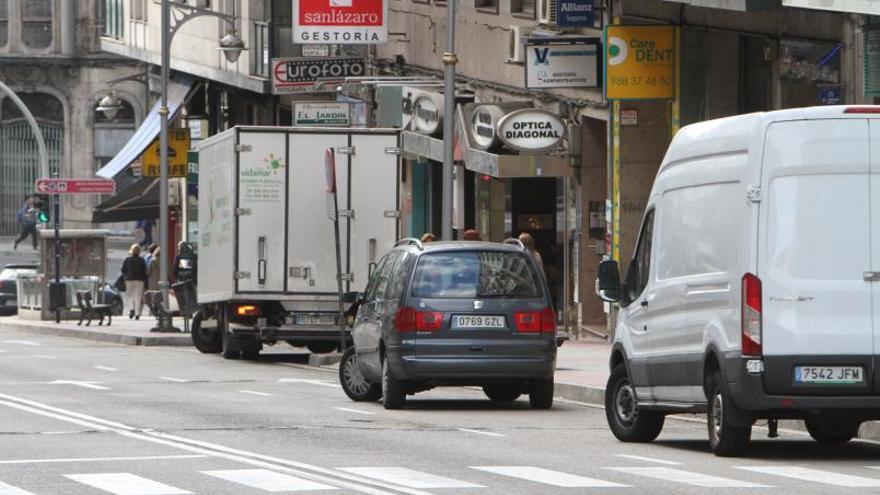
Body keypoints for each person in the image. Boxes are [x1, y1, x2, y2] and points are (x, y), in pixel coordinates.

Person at [120, 244, 147, 320]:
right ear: (139, 251)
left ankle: (131, 309)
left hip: (129, 279)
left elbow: (122, 270)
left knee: (130, 296)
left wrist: (125, 276)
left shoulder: (127, 259)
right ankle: (137, 314)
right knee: (138, 297)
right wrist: (146, 284)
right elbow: (144, 272)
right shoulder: (142, 260)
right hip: (140, 280)